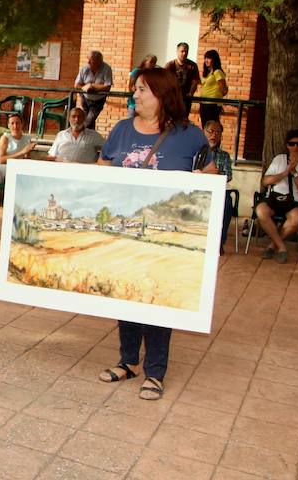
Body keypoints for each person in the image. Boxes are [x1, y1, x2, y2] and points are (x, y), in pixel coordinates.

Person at [97, 67, 213, 401]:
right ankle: (129, 361)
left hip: (167, 236)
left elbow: (211, 180)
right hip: (125, 233)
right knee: (128, 294)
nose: (134, 95)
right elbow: (103, 173)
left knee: (159, 300)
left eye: (142, 90)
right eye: (135, 90)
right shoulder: (120, 131)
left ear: (162, 94)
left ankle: (155, 373)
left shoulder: (190, 136)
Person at [254, 129, 298, 264]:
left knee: (297, 218)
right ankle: (281, 247)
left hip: (294, 201)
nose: (295, 147)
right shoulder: (279, 160)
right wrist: (284, 173)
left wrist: (294, 173)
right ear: (287, 145)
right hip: (275, 197)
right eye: (291, 144)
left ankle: (272, 246)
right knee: (261, 211)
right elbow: (265, 181)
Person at [196, 120, 233, 254]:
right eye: (211, 131)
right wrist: (213, 172)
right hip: (197, 189)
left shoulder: (224, 155)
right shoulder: (196, 152)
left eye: (218, 132)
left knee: (227, 204)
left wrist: (205, 173)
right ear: (204, 133)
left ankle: (219, 242)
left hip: (217, 191)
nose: (214, 135)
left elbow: (227, 175)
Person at [73, 50, 113, 130]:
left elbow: (107, 86)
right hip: (85, 98)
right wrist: (85, 87)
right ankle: (90, 140)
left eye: (91, 60)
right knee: (89, 121)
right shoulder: (84, 68)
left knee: (88, 121)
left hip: (98, 100)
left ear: (98, 61)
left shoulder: (106, 68)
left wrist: (93, 86)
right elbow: (76, 85)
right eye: (87, 59)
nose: (88, 62)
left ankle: (80, 137)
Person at [0, 113, 33, 183]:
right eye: (12, 123)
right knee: (17, 172)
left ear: (22, 124)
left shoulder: (27, 139)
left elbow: (26, 159)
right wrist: (22, 152)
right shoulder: (5, 138)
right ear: (8, 125)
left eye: (17, 123)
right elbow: (1, 160)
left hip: (17, 169)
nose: (15, 126)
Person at [164, 42, 200, 117]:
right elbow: (163, 80)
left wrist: (191, 93)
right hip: (173, 98)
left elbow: (195, 81)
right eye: (182, 51)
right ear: (177, 51)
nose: (184, 53)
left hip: (186, 98)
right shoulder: (170, 65)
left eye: (186, 51)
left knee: (183, 119)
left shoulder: (192, 65)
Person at [199, 49, 229, 126]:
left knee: (212, 126)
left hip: (212, 104)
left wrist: (216, 97)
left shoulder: (217, 72)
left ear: (214, 59)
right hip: (203, 103)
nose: (206, 60)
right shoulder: (208, 73)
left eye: (208, 58)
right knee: (205, 126)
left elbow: (224, 90)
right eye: (205, 58)